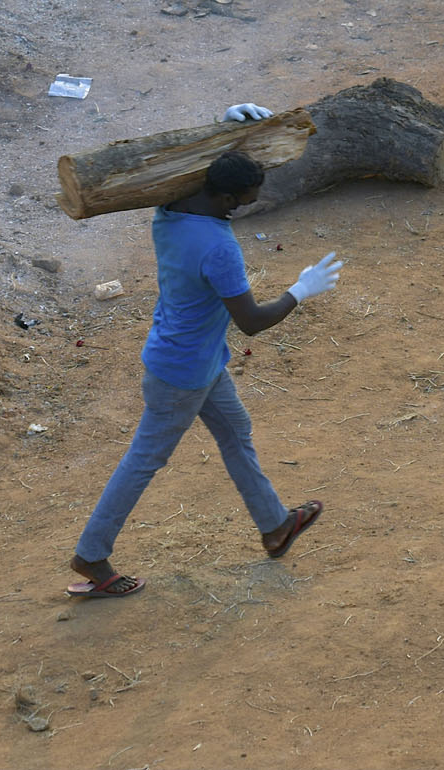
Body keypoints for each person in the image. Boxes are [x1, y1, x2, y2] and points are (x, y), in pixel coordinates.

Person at [67, 117, 341, 601]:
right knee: (143, 461)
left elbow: (186, 166)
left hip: (195, 360)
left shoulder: (170, 212)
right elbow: (252, 321)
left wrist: (229, 125)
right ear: (229, 199)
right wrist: (301, 290)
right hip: (183, 376)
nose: (256, 202)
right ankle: (92, 554)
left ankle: (275, 525)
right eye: (251, 196)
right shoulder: (219, 248)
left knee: (237, 433)